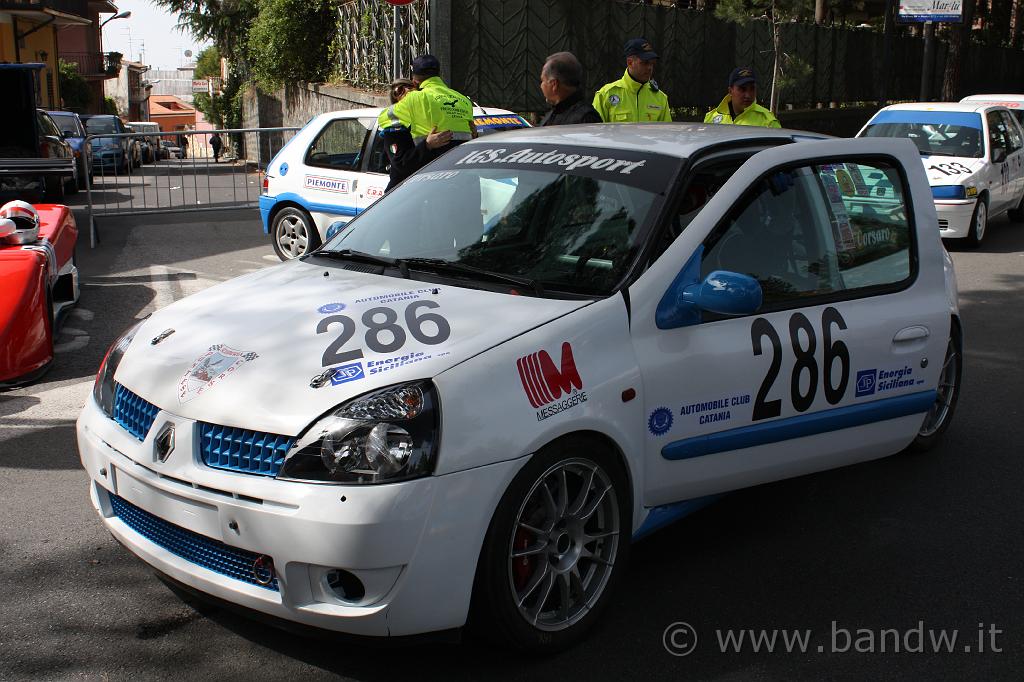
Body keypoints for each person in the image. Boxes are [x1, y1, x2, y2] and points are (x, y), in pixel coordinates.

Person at [376, 54, 474, 190]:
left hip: (425, 190)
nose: (406, 93)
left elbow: (383, 117)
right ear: (439, 74)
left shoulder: (415, 100)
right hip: (457, 183)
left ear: (415, 82)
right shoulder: (463, 100)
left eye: (409, 88)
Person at [378, 77, 454, 191]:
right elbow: (401, 164)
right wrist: (427, 145)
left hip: (434, 188)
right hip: (404, 194)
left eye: (410, 88)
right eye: (400, 91)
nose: (408, 92)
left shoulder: (432, 119)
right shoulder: (394, 127)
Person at [593, 38, 671, 123]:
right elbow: (596, 133)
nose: (650, 68)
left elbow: (666, 134)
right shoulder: (606, 94)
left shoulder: (660, 98)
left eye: (652, 63)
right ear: (630, 62)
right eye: (645, 63)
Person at [704, 67, 781, 128]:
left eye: (752, 89)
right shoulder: (711, 118)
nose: (748, 95)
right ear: (730, 91)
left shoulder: (767, 121)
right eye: (742, 89)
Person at [539, 52, 602, 126]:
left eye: (543, 81)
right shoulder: (554, 114)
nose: (541, 86)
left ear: (554, 84)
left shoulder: (586, 119)